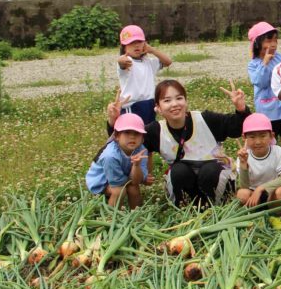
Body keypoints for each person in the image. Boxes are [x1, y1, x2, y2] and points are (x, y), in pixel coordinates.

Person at [107, 79, 250, 207]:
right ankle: (184, 207)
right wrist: (113, 122)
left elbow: (236, 128)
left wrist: (241, 109)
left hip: (214, 176)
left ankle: (217, 207)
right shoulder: (156, 131)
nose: (174, 104)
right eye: (167, 100)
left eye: (179, 98)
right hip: (184, 179)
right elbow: (127, 142)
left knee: (209, 170)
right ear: (158, 108)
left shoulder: (205, 119)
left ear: (186, 102)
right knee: (178, 170)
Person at [86, 112, 149, 209]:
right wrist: (135, 180)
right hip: (101, 181)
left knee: (134, 188)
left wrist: (136, 166)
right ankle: (111, 218)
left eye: (137, 133)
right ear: (117, 136)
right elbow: (117, 182)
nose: (132, 137)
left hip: (123, 177)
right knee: (119, 190)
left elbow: (136, 181)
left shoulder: (141, 150)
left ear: (142, 138)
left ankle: (136, 216)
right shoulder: (110, 155)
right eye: (127, 132)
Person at [117, 24, 172, 125]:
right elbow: (121, 63)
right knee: (133, 130)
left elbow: (168, 62)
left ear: (145, 44)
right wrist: (121, 60)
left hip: (149, 104)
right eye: (132, 43)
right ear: (124, 47)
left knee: (149, 131)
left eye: (139, 42)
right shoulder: (128, 62)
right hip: (132, 106)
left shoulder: (148, 62)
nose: (136, 45)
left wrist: (152, 50)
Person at [234, 112, 281, 207]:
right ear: (244, 138)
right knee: (242, 194)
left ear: (271, 136)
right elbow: (244, 186)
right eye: (252, 137)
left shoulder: (279, 152)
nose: (258, 142)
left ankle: (278, 215)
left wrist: (261, 188)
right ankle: (252, 215)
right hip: (252, 195)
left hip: (272, 192)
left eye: (263, 136)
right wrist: (244, 165)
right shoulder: (243, 156)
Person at [246, 22, 281, 147]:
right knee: (269, 144)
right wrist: (265, 63)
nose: (273, 44)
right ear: (257, 43)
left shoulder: (280, 57)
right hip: (267, 111)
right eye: (268, 40)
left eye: (275, 40)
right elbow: (260, 82)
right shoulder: (253, 64)